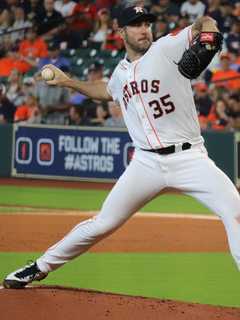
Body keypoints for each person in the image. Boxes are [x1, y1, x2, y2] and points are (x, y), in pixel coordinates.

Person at [3, 6, 240, 289]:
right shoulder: (121, 73)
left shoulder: (166, 47)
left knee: (235, 211)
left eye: (147, 23)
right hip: (146, 164)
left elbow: (204, 21)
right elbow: (105, 92)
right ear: (121, 32)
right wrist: (68, 82)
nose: (144, 29)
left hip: (189, 157)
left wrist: (210, 30)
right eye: (136, 24)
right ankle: (39, 266)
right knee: (103, 222)